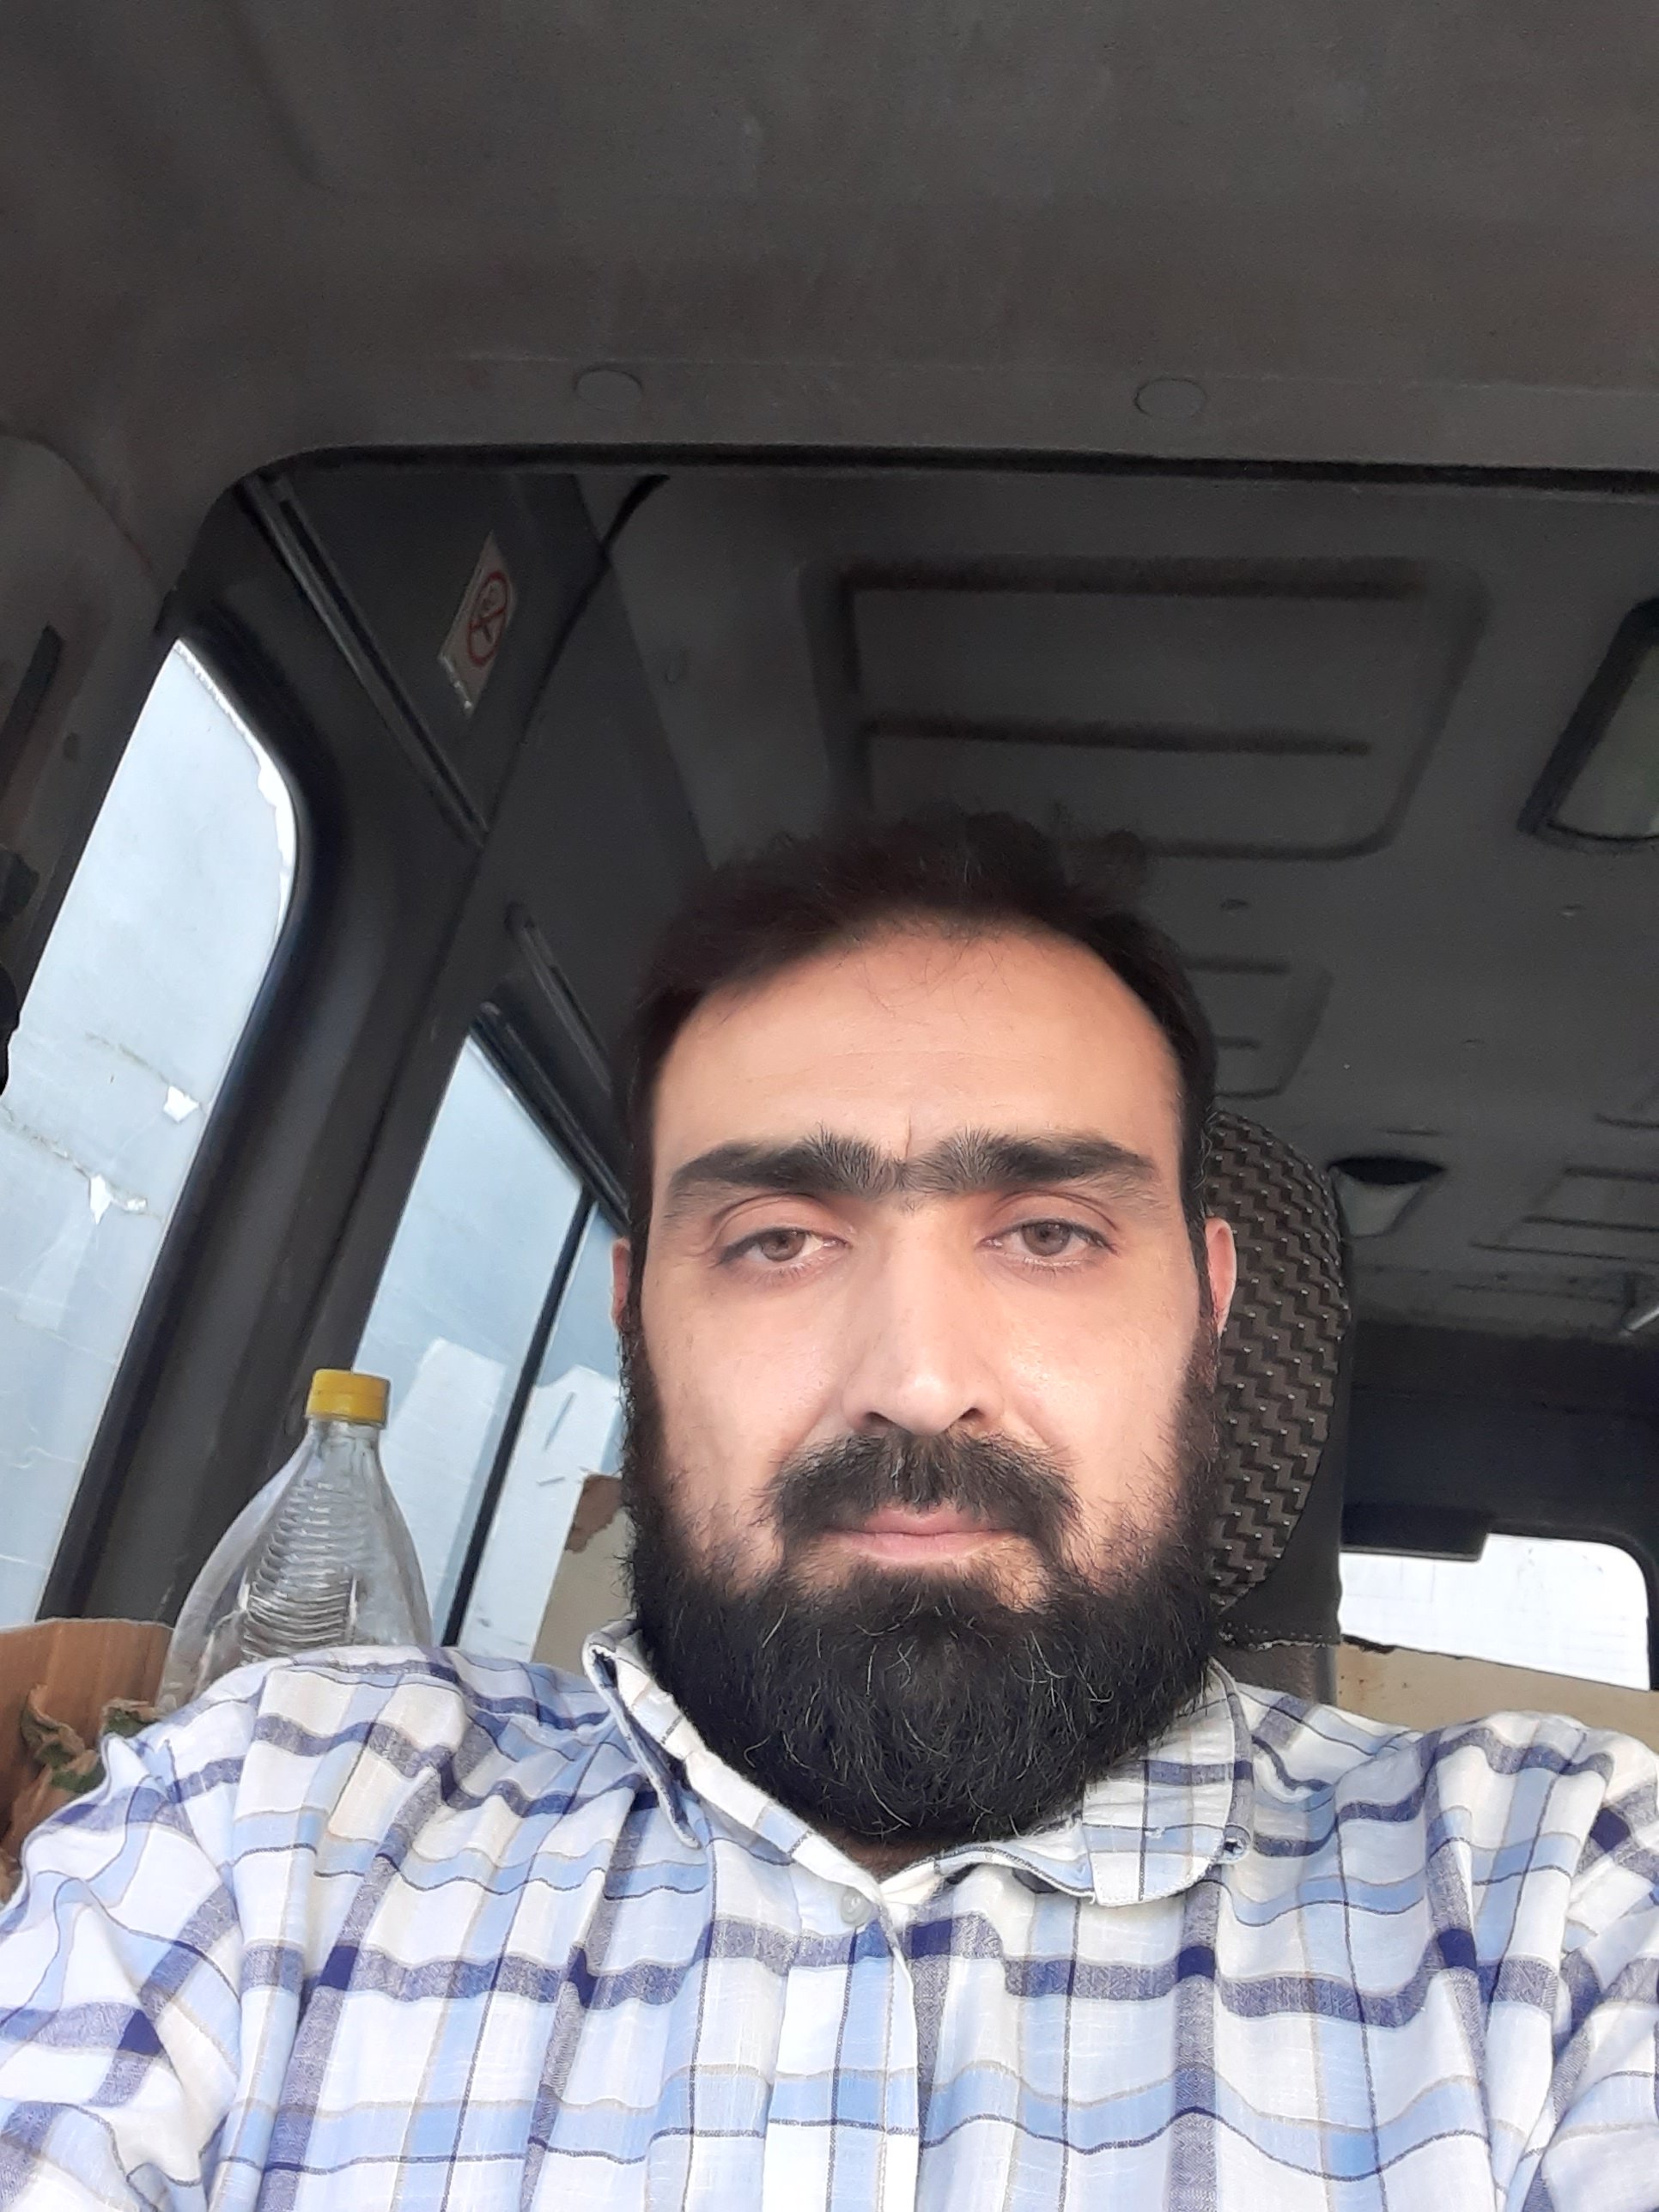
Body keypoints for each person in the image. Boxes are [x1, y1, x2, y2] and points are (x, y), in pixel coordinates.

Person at [0, 811, 1654, 2209]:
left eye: (1050, 1234)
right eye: (779, 1240)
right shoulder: (265, 1825)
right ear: (638, 1319)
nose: (918, 1382)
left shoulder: (1553, 1913)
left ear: (1208, 1311)